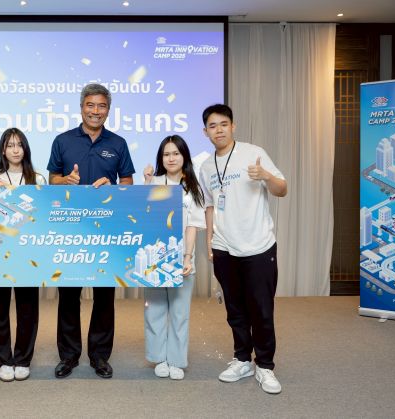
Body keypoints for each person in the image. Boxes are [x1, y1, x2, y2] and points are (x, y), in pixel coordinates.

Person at [46, 83, 135, 379]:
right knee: (68, 296)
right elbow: (51, 180)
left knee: (104, 296)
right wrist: (65, 181)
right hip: (70, 229)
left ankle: (99, 356)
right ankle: (68, 356)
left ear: (108, 110)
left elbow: (128, 184)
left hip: (106, 230)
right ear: (81, 107)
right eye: (90, 105)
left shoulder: (118, 143)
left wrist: (114, 186)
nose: (95, 111)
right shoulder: (62, 140)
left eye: (102, 106)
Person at [199, 104, 287, 394]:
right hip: (224, 247)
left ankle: (265, 365)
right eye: (212, 126)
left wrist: (265, 176)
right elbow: (210, 206)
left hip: (258, 245)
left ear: (233, 126)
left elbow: (282, 189)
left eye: (223, 124)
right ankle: (242, 360)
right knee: (235, 310)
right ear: (205, 132)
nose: (219, 130)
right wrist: (210, 242)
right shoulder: (206, 166)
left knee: (261, 309)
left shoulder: (253, 153)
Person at [0, 128, 45, 382]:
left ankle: (22, 359)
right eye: (10, 145)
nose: (15, 150)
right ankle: (3, 360)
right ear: (2, 150)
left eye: (19, 144)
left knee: (27, 308)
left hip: (28, 253)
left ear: (26, 148)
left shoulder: (37, 179)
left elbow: (41, 215)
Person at [142, 135, 205, 380]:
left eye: (176, 153)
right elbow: (143, 217)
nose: (171, 158)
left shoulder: (193, 187)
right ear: (161, 158)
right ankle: (159, 358)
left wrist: (187, 258)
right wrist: (146, 183)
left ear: (184, 156)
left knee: (179, 312)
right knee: (155, 311)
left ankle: (177, 360)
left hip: (182, 259)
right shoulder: (154, 182)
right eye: (166, 154)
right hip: (154, 259)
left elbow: (192, 226)